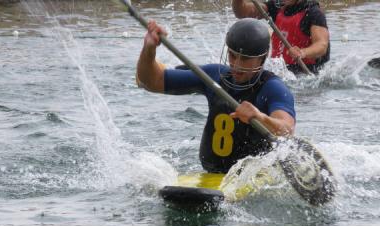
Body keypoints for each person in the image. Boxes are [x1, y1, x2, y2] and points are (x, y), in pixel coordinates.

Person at [136, 18, 295, 173]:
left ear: (262, 58)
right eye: (232, 55)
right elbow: (150, 81)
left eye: (245, 59)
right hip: (211, 173)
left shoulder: (274, 88)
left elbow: (287, 130)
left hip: (253, 176)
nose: (237, 65)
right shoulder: (214, 76)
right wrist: (149, 49)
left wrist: (260, 117)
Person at [232, 0, 330, 74]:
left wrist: (302, 52)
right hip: (279, 70)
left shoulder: (314, 13)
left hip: (305, 73)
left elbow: (322, 45)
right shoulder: (277, 6)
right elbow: (242, 13)